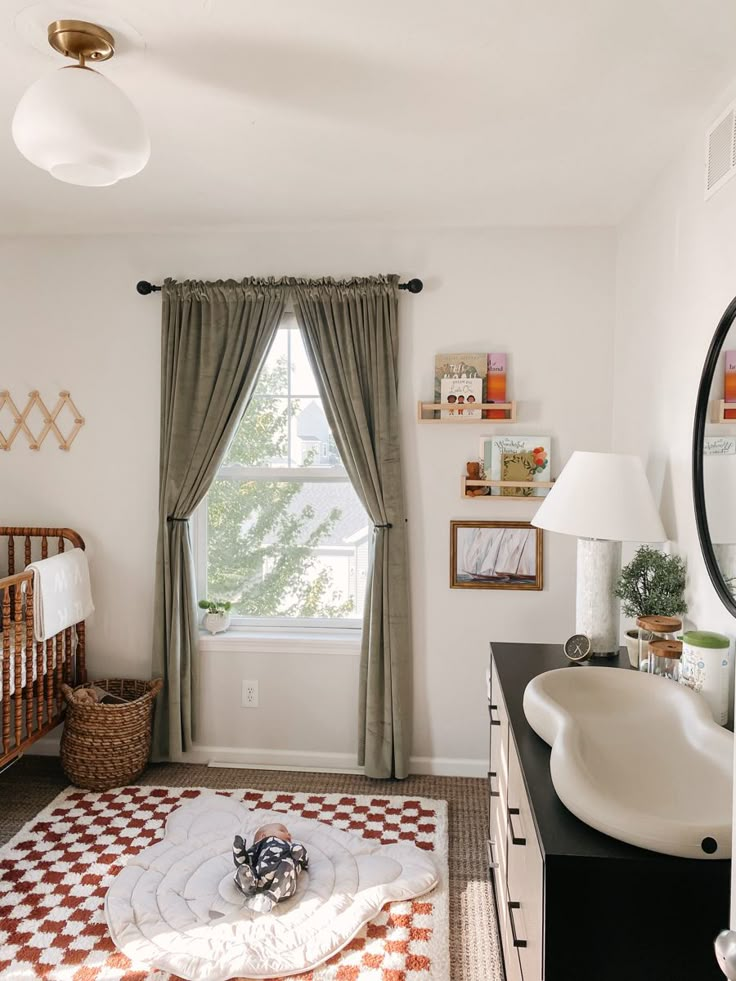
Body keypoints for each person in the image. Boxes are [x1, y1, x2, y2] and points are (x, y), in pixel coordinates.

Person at [233, 822, 309, 912]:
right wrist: (240, 853)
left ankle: (270, 898)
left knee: (287, 865)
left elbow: (304, 862)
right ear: (263, 836)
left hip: (283, 884)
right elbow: (246, 861)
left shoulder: (289, 846)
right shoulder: (259, 845)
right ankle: (249, 887)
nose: (289, 834)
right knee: (244, 869)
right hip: (258, 880)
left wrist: (299, 851)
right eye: (282, 831)